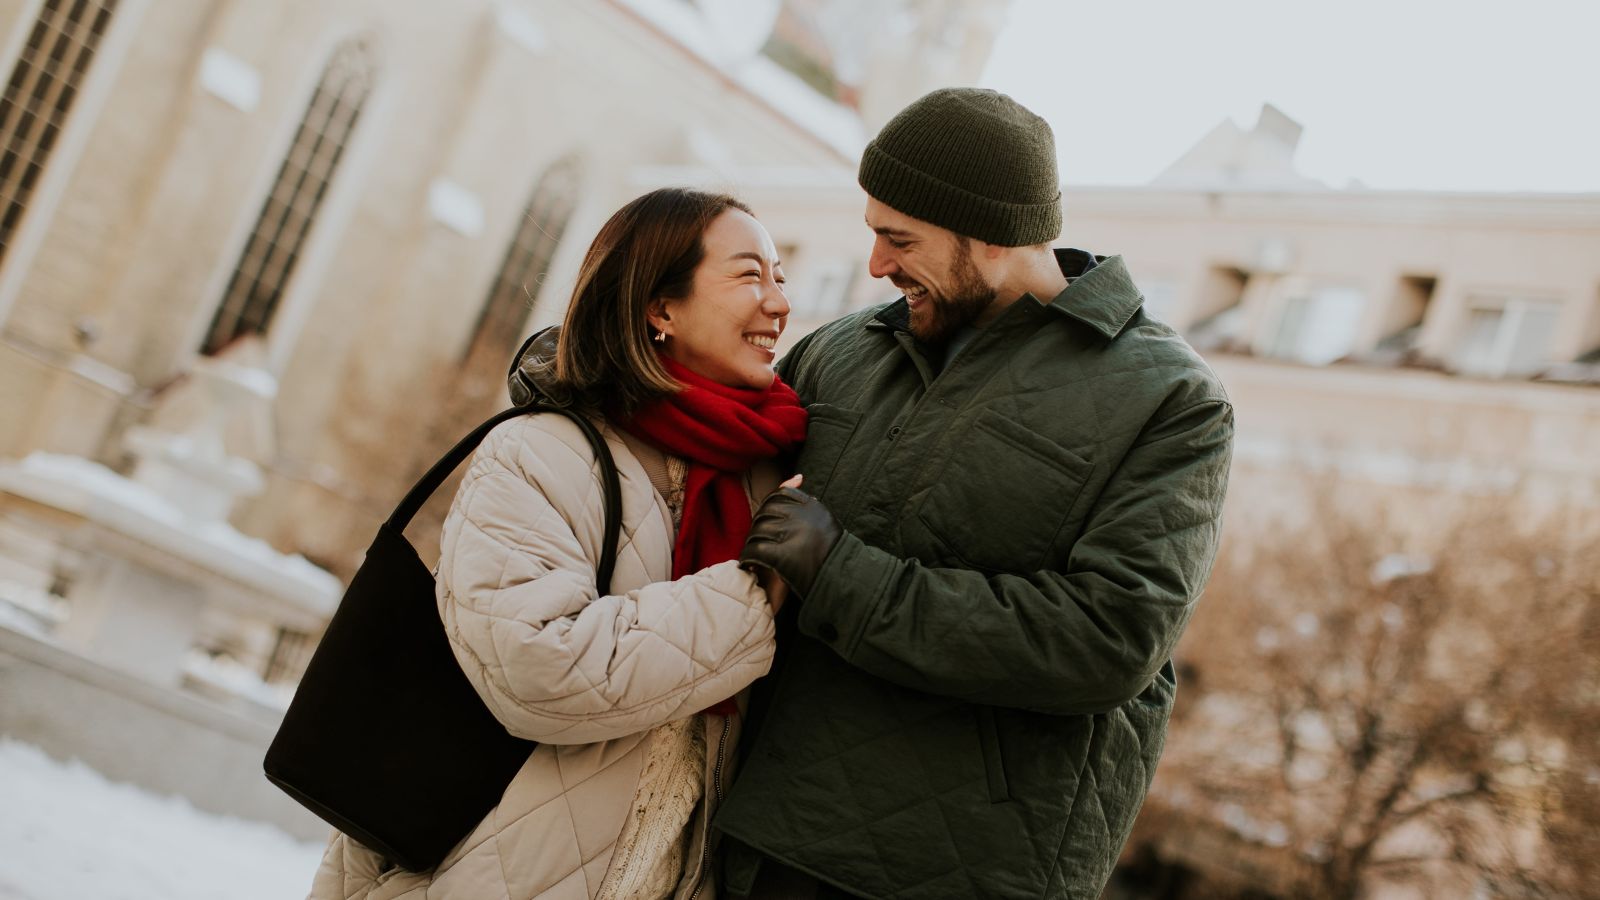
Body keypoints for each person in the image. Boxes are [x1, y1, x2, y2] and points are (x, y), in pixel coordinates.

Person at [714, 88, 1236, 899]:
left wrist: (838, 572)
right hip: (749, 829)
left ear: (989, 236)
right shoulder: (851, 348)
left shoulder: (1169, 402)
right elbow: (708, 438)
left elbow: (1110, 638)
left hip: (950, 870)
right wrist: (589, 375)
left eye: (899, 239)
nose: (877, 265)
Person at [309, 187, 807, 900]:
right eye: (748, 275)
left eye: (781, 276)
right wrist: (756, 590)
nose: (779, 303)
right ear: (659, 308)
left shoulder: (764, 477)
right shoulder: (539, 454)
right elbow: (543, 670)